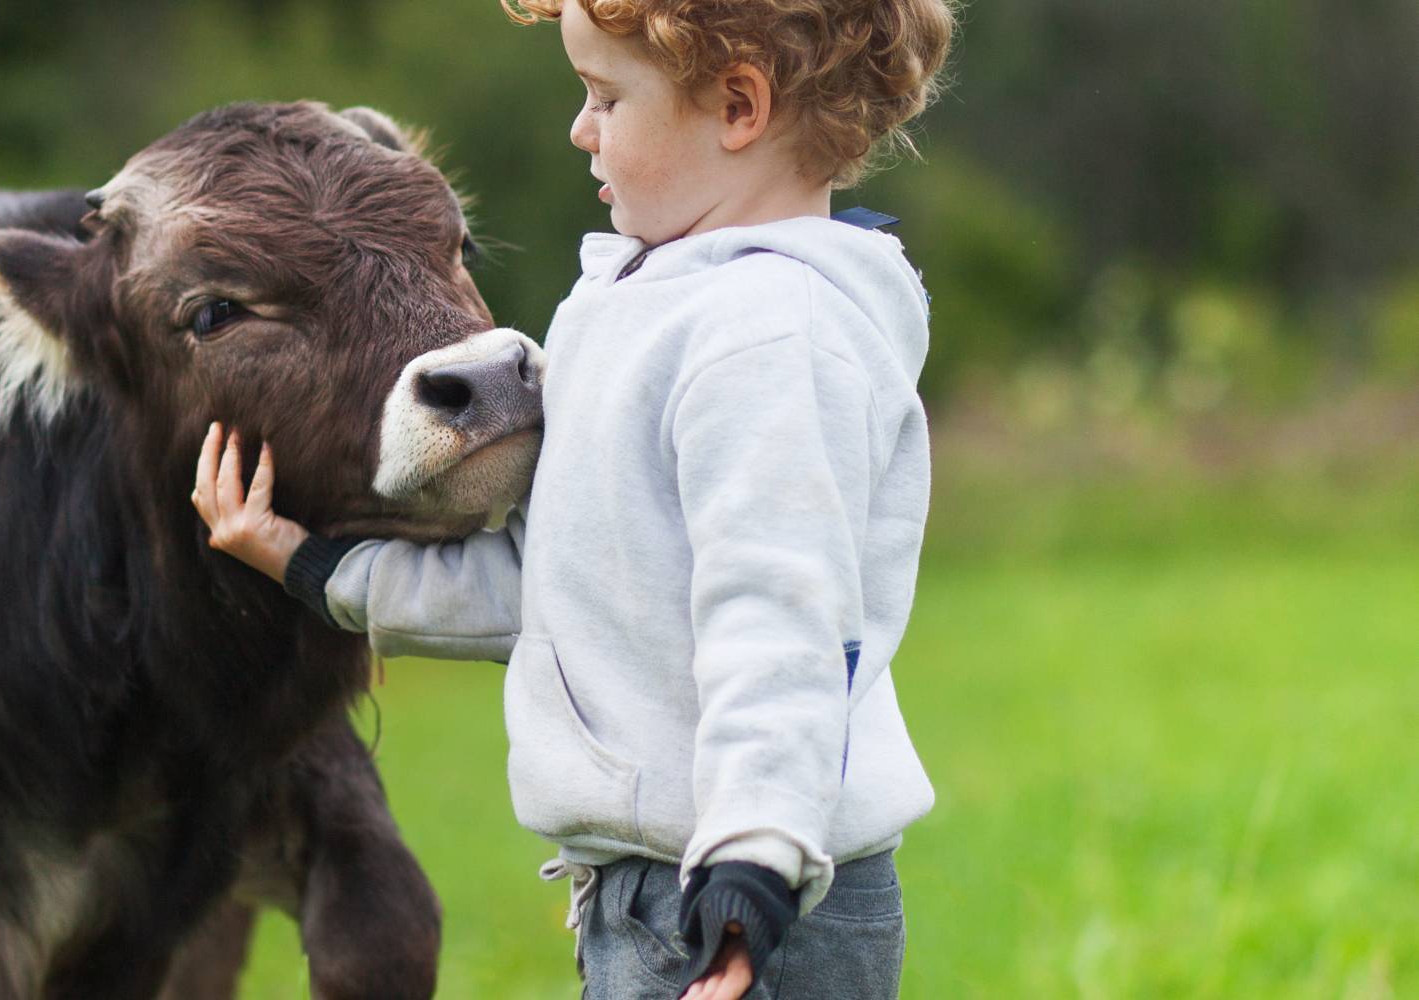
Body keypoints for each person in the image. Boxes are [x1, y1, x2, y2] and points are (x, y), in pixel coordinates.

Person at [192, 1, 956, 996]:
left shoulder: (768, 339)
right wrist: (314, 565)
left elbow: (779, 620)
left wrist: (750, 871)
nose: (578, 128)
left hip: (744, 897)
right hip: (661, 888)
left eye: (604, 96)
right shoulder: (647, 308)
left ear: (736, 106)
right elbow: (552, 576)